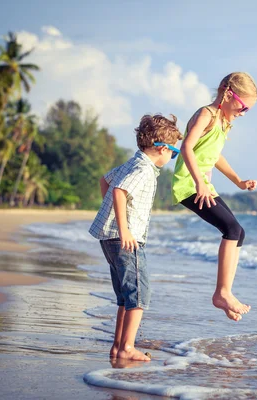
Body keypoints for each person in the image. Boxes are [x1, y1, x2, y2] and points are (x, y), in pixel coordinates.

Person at [89, 114, 183, 361]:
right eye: (173, 153)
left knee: (125, 295)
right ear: (163, 148)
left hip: (109, 237)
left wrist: (113, 217)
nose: (172, 159)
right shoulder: (143, 169)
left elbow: (105, 182)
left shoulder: (132, 163)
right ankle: (127, 348)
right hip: (125, 238)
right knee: (140, 295)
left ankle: (118, 346)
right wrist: (124, 228)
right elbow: (118, 191)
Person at [172, 72, 257, 322]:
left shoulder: (222, 122)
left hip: (203, 185)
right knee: (231, 228)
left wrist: (238, 181)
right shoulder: (206, 114)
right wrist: (199, 182)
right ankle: (222, 293)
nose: (242, 114)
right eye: (243, 108)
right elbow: (187, 146)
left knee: (238, 232)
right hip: (189, 184)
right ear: (227, 93)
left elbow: (215, 155)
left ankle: (225, 295)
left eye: (247, 111)